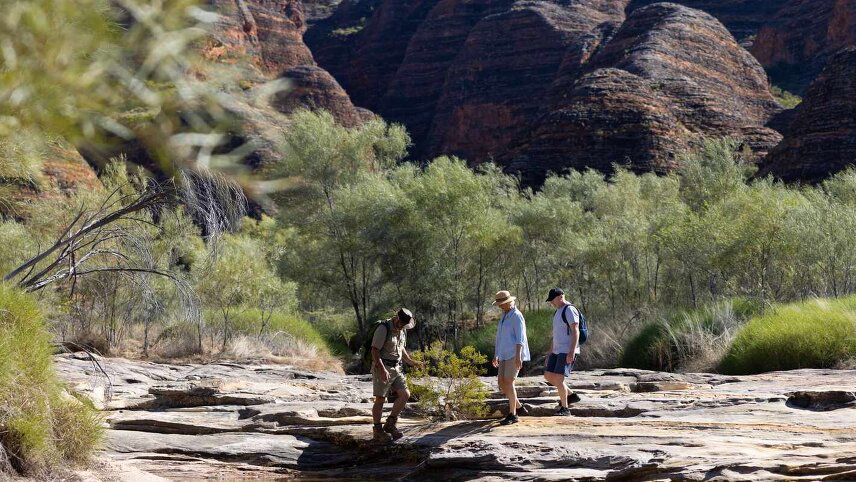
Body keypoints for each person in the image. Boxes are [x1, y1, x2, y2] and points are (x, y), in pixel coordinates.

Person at [370, 308, 420, 442]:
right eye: (402, 323)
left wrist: (411, 361)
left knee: (405, 394)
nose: (403, 326)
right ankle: (377, 430)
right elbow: (374, 350)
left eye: (405, 325)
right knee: (380, 399)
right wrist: (381, 369)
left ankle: (390, 424)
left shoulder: (402, 329)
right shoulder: (383, 328)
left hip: (396, 368)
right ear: (397, 318)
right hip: (382, 367)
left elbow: (400, 347)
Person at [491, 290, 531, 425]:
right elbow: (499, 338)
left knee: (508, 381)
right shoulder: (504, 316)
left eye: (502, 304)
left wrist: (519, 356)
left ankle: (513, 414)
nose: (500, 306)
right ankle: (518, 406)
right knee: (501, 383)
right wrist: (496, 354)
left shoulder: (516, 316)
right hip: (503, 354)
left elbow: (520, 338)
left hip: (514, 354)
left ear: (508, 302)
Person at [544, 288, 581, 416]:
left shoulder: (569, 310)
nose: (551, 303)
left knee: (559, 380)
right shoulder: (557, 312)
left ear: (560, 296)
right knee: (548, 375)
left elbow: (576, 330)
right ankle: (571, 395)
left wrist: (571, 351)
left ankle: (565, 409)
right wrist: (549, 353)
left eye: (552, 300)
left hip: (566, 350)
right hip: (556, 350)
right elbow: (555, 335)